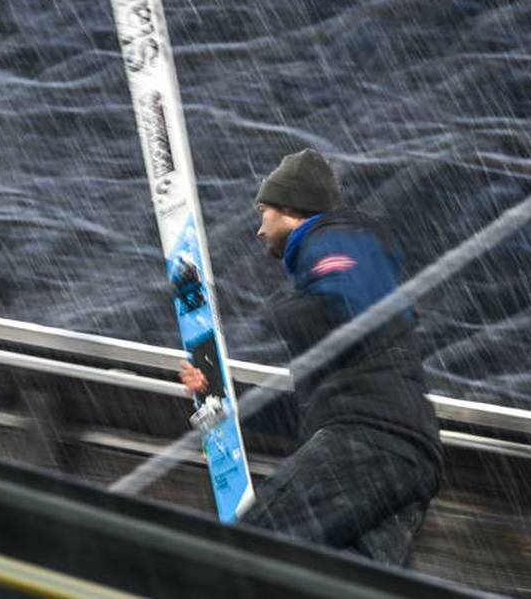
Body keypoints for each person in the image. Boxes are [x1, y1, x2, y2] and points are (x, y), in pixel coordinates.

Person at [179, 148, 442, 566]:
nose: (258, 229)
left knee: (247, 554)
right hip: (409, 460)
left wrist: (282, 311)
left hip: (368, 444)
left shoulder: (335, 239)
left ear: (290, 209)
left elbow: (349, 298)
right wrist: (225, 399)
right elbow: (308, 409)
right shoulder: (337, 300)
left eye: (264, 212)